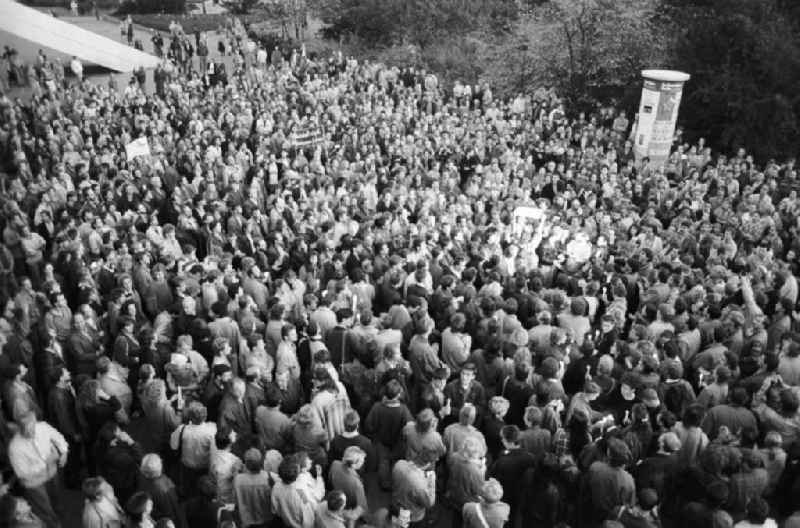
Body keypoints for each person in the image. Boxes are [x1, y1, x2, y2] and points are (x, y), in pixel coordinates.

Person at [7, 410, 68, 528]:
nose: (33, 430)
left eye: (33, 425)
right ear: (20, 428)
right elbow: (22, 474)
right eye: (28, 428)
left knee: (56, 500)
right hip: (35, 484)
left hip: (52, 473)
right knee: (45, 508)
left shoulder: (43, 427)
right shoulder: (14, 448)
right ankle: (55, 525)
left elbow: (58, 437)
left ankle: (60, 516)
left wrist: (63, 451)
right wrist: (46, 463)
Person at [233, 448, 272, 528]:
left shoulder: (238, 479)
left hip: (246, 522)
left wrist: (236, 470)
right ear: (261, 462)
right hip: (265, 521)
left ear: (246, 464)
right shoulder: (268, 477)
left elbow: (235, 500)